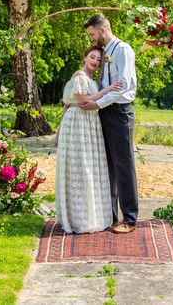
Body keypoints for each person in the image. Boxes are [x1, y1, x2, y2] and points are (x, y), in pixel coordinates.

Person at [55, 45, 122, 234]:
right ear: (85, 56)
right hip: (77, 122)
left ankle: (91, 214)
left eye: (99, 60)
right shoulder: (80, 76)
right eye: (92, 57)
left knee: (91, 166)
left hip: (89, 123)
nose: (95, 61)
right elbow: (84, 100)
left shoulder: (91, 79)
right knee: (80, 166)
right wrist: (108, 90)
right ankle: (78, 218)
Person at [82, 13, 139, 234]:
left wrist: (98, 104)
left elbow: (124, 85)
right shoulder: (106, 51)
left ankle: (130, 219)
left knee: (123, 165)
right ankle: (111, 216)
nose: (92, 39)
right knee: (107, 166)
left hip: (119, 112)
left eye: (92, 34)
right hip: (105, 111)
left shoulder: (123, 50)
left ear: (103, 30)